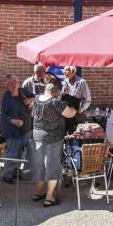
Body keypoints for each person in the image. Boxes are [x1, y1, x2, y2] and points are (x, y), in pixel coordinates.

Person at [30, 77, 78, 207]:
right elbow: (71, 113)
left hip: (37, 136)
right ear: (56, 90)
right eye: (59, 91)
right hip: (53, 138)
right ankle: (50, 197)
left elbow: (33, 115)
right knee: (53, 167)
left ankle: (38, 192)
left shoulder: (37, 99)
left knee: (40, 165)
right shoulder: (55, 102)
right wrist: (69, 97)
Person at [0, 75, 34, 183]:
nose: (14, 85)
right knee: (12, 153)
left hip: (25, 129)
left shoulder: (23, 91)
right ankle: (7, 175)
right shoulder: (6, 97)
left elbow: (36, 97)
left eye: (15, 82)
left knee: (19, 153)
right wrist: (14, 121)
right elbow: (4, 116)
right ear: (7, 85)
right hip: (12, 130)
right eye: (11, 83)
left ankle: (15, 172)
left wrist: (31, 100)